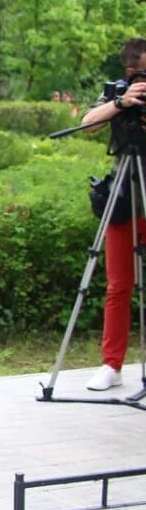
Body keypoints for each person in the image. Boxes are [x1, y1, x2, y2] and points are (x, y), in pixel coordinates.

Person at [79, 38, 146, 391]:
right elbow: (88, 122)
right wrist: (121, 103)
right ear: (131, 71)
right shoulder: (117, 94)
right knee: (119, 285)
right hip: (125, 199)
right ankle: (111, 365)